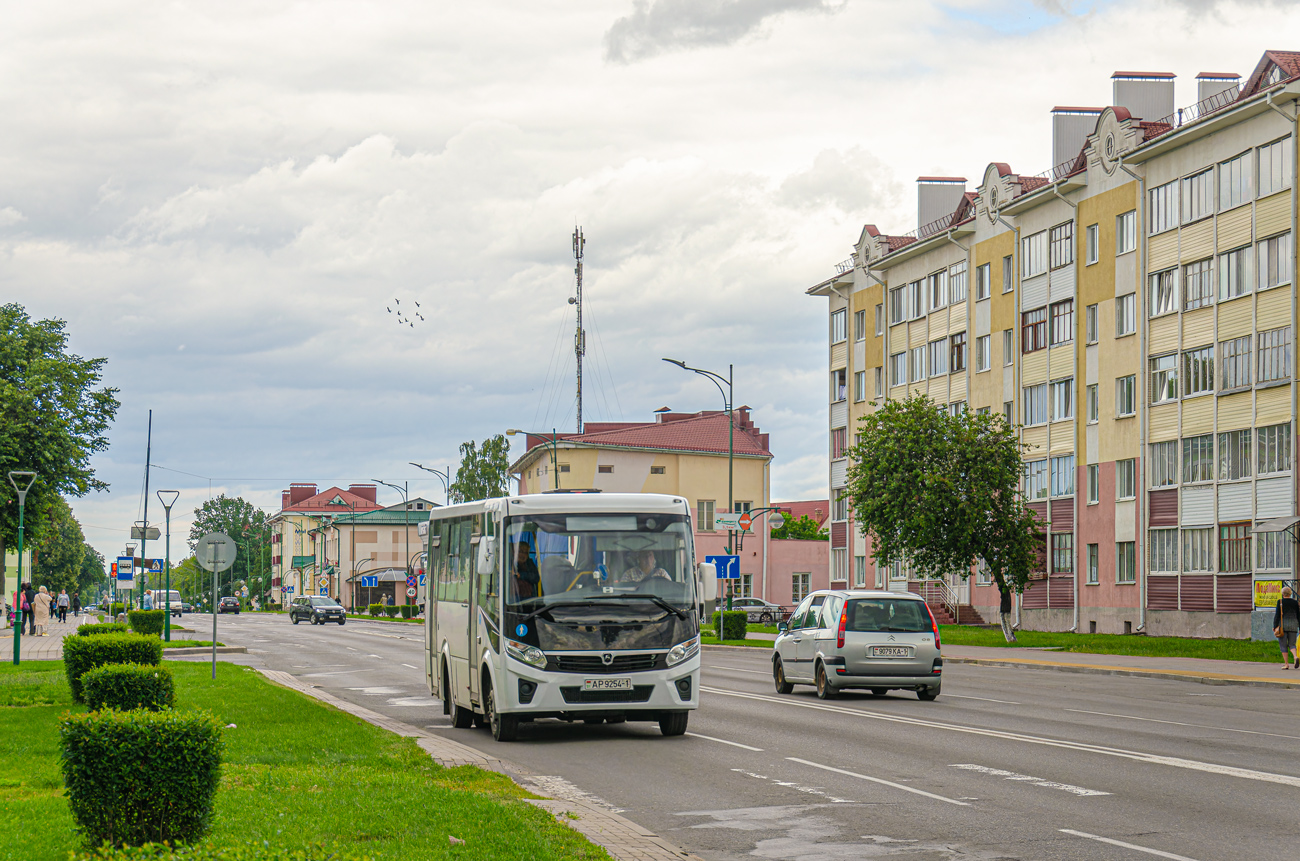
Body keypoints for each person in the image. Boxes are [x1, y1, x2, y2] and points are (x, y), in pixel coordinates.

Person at [1273, 585, 1300, 669]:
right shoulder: (1295, 602)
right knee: (1292, 644)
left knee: (1283, 645)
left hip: (1283, 626)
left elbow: (1277, 615)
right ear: (1290, 593)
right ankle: (1295, 657)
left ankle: (1286, 664)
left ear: (1282, 593)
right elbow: (1299, 615)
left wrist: (1274, 626)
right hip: (1293, 625)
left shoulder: (1280, 602)